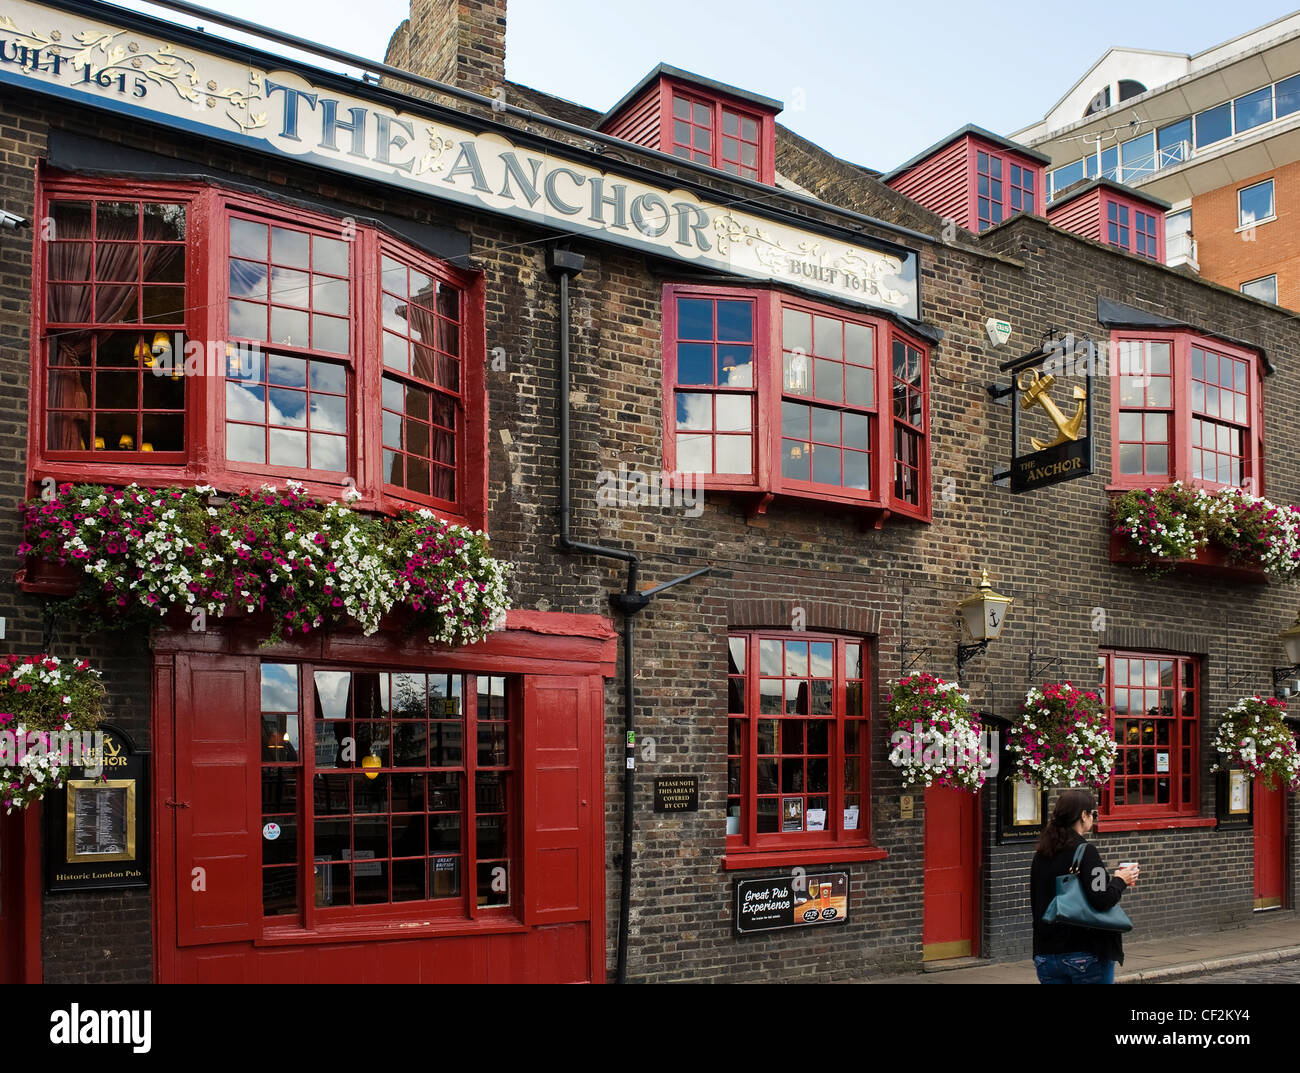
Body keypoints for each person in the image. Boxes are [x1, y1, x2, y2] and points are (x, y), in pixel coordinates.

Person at [1030, 788, 1139, 984]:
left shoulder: (1041, 854)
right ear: (1083, 815)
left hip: (1046, 954)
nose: (1093, 819)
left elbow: (1036, 903)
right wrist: (1120, 880)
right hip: (1085, 954)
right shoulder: (1085, 851)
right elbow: (1102, 899)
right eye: (1093, 814)